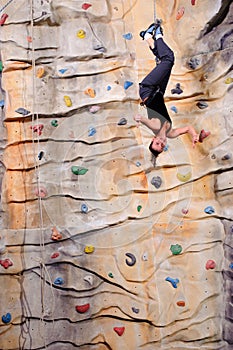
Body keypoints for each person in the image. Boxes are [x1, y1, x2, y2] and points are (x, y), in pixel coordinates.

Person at [134, 21, 210, 164]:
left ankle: (155, 34)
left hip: (147, 89)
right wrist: (194, 135)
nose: (161, 144)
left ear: (154, 139)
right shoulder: (171, 133)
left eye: (157, 144)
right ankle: (148, 37)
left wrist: (140, 120)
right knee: (164, 61)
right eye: (162, 147)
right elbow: (187, 128)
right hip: (158, 92)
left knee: (168, 58)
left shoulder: (156, 127)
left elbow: (146, 121)